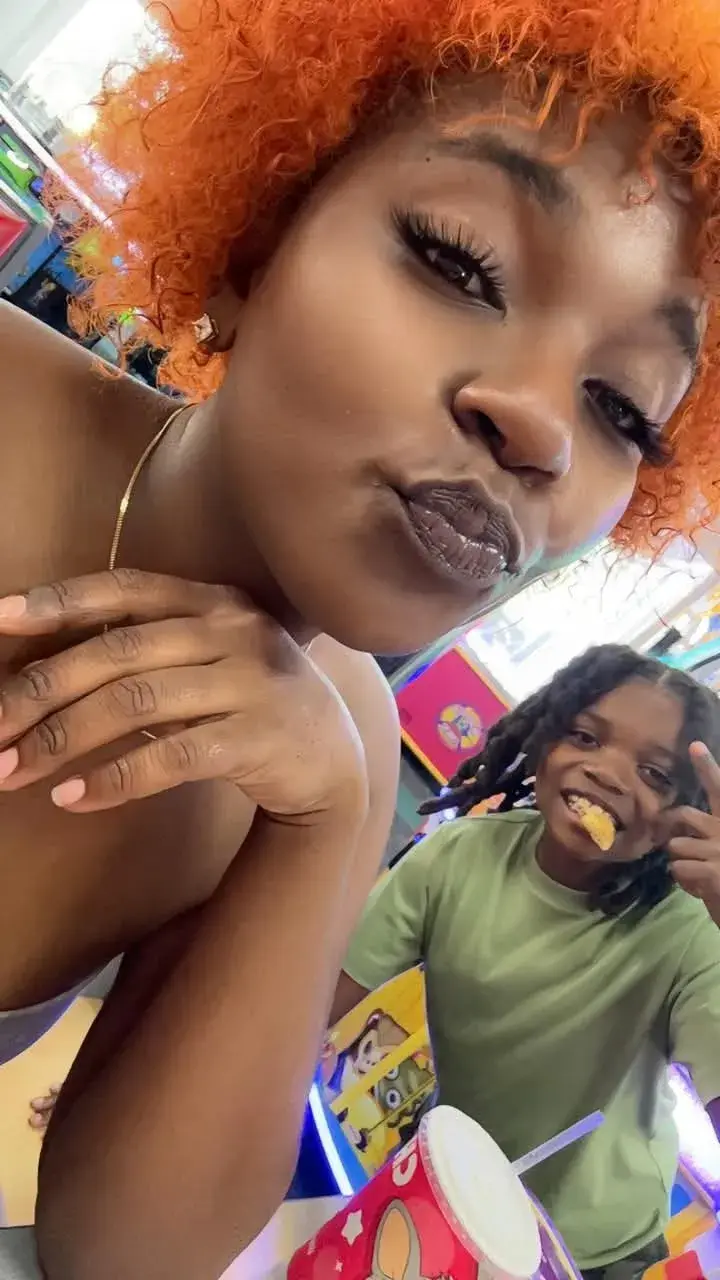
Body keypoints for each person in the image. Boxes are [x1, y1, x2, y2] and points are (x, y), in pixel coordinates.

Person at [1, 0, 720, 1274]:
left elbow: (116, 1253)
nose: (544, 430)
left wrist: (322, 826)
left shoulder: (351, 743)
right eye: (460, 262)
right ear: (255, 242)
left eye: (623, 406)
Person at [332, 645, 720, 1280]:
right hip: (451, 1182)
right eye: (585, 736)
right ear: (544, 738)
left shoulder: (691, 929)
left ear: (688, 815)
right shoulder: (456, 857)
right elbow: (313, 1004)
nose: (608, 774)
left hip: (590, 1250)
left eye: (655, 774)